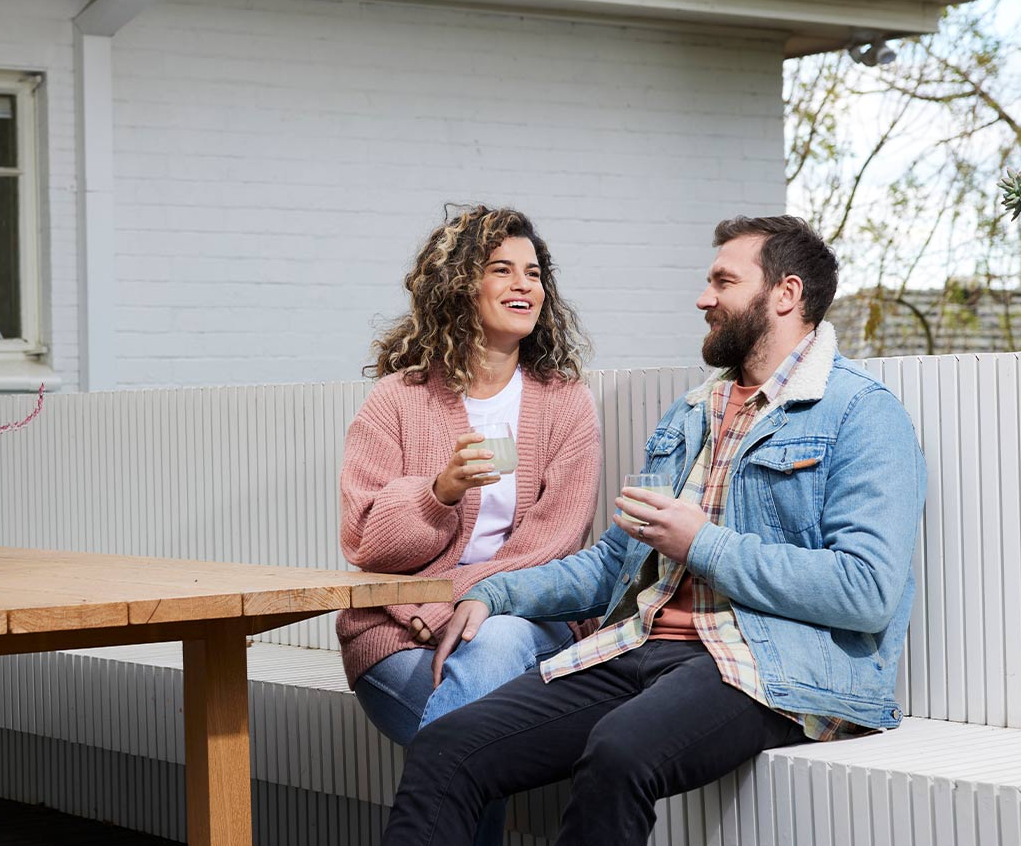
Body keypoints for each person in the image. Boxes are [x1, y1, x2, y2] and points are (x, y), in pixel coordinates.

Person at [379, 215, 928, 846]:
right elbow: (612, 564)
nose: (704, 298)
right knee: (448, 746)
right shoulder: (692, 414)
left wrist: (703, 543)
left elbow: (866, 591)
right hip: (640, 646)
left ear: (786, 294)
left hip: (764, 667)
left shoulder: (861, 413)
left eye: (723, 281)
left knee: (617, 752)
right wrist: (494, 593)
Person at [338, 205, 601, 846]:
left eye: (534, 273)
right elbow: (366, 541)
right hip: (398, 638)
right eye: (502, 269)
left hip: (519, 624)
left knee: (500, 644)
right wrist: (438, 493)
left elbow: (555, 543)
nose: (524, 286)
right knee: (481, 723)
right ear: (460, 286)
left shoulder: (564, 401)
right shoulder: (399, 398)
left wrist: (462, 598)